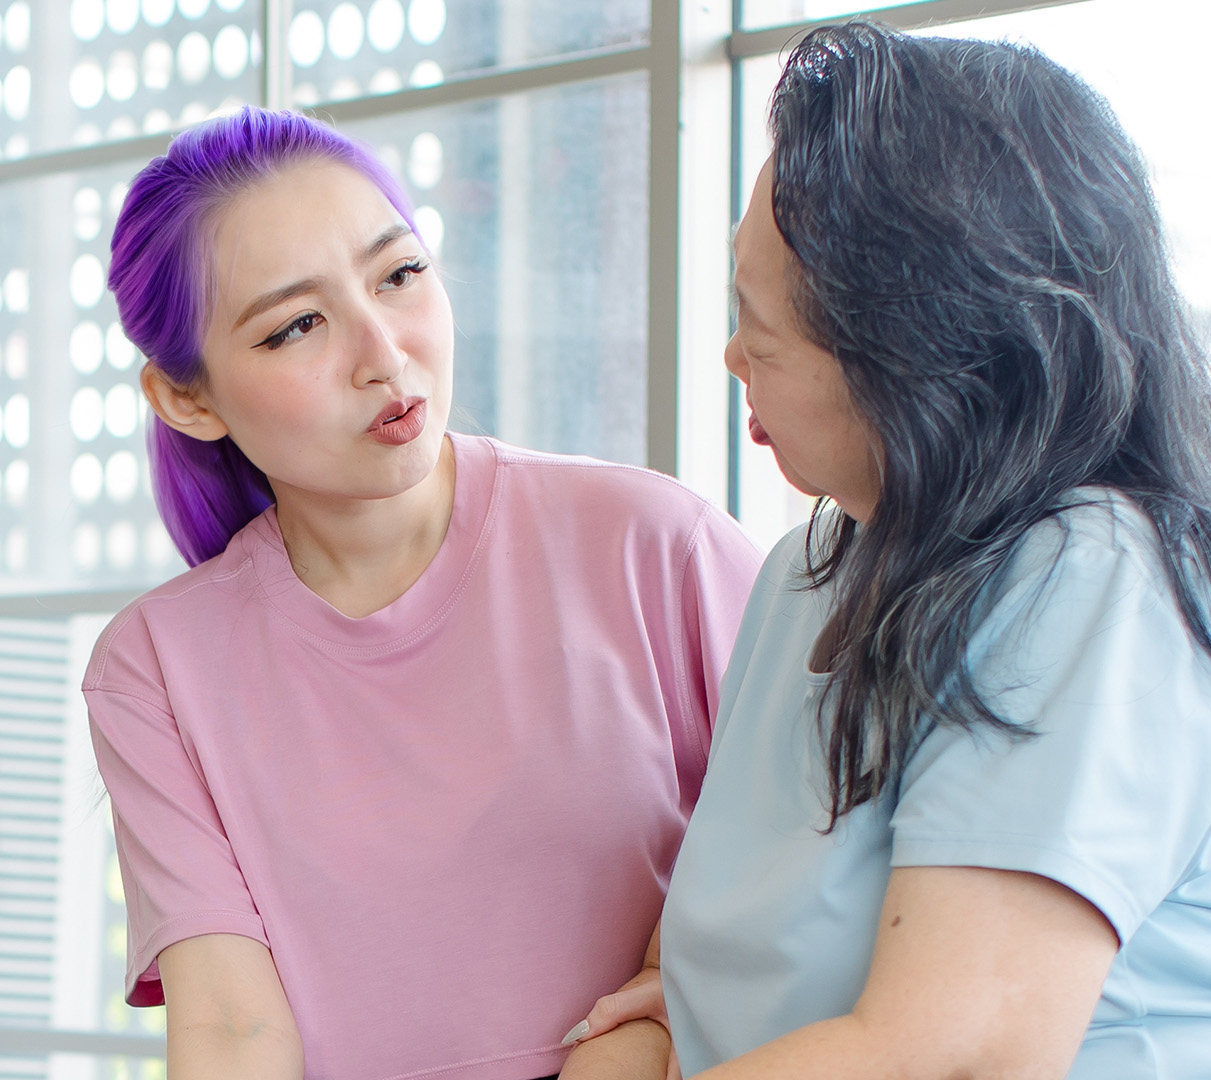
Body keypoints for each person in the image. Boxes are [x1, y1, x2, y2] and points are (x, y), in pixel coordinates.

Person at [569, 20, 1211, 1080]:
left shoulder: (1096, 576)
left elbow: (954, 1056)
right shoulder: (817, 567)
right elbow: (696, 978)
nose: (731, 355)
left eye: (765, 327)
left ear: (917, 358)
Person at [83, 106, 761, 1080]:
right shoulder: (156, 668)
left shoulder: (656, 545)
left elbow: (841, 859)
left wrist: (659, 1027)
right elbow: (233, 1032)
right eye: (297, 326)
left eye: (399, 274)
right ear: (187, 399)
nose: (383, 353)